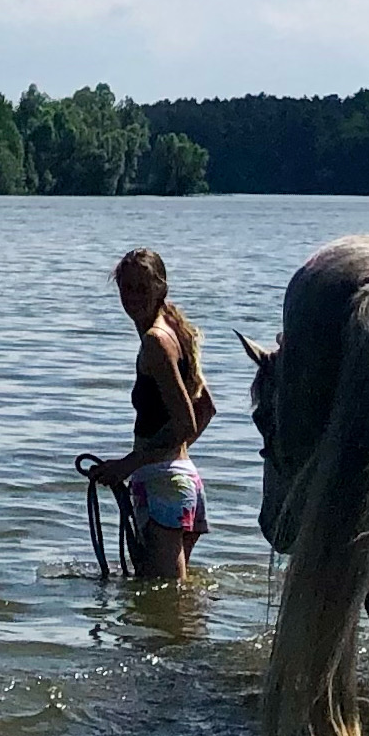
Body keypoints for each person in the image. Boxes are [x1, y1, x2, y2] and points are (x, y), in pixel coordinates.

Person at [76, 246, 215, 578]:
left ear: (160, 288)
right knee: (168, 597)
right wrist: (167, 459)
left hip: (164, 485)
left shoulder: (156, 341)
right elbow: (206, 408)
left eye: (142, 288)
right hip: (181, 479)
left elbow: (186, 423)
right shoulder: (174, 330)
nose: (133, 297)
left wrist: (129, 464)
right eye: (127, 288)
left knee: (166, 596)